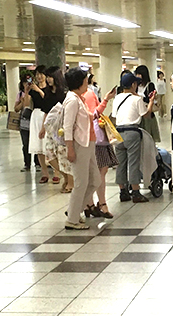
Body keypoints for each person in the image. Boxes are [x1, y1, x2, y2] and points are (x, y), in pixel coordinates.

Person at [62, 67, 102, 230]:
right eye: (86, 80)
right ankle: (72, 219)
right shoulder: (72, 100)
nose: (88, 82)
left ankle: (74, 211)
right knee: (81, 182)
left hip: (88, 144)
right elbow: (67, 126)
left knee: (95, 180)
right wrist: (70, 148)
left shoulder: (80, 98)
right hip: (79, 145)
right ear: (79, 82)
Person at [111, 73, 156, 203]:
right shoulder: (137, 99)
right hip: (132, 132)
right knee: (133, 162)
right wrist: (151, 102)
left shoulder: (117, 98)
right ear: (133, 85)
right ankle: (135, 192)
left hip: (118, 133)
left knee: (120, 163)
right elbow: (146, 115)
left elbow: (114, 115)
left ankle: (123, 192)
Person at [82, 80, 117, 219]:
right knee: (100, 171)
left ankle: (89, 204)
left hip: (87, 138)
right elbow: (94, 114)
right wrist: (106, 100)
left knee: (92, 173)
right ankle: (101, 204)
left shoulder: (75, 97)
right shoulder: (88, 94)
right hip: (96, 138)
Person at [42, 66, 69, 192]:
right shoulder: (47, 92)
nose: (48, 79)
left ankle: (70, 180)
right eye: (47, 76)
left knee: (62, 154)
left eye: (50, 76)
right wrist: (43, 127)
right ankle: (65, 176)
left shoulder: (64, 92)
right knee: (49, 153)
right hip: (50, 127)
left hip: (61, 127)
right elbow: (46, 111)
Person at [29, 66, 49, 178]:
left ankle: (57, 172)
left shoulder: (49, 89)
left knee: (48, 145)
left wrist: (39, 90)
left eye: (41, 74)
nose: (39, 77)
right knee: (38, 146)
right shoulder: (33, 89)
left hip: (46, 115)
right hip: (36, 115)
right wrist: (27, 91)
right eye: (37, 74)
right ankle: (44, 173)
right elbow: (27, 103)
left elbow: (47, 100)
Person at [134, 65, 161, 143]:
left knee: (148, 136)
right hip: (138, 114)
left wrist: (140, 97)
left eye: (139, 74)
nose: (137, 76)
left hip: (148, 113)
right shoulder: (135, 85)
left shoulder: (150, 85)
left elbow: (151, 99)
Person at [15, 77, 34, 171]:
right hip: (24, 122)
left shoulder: (35, 93)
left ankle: (38, 163)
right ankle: (27, 164)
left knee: (35, 143)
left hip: (34, 121)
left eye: (29, 81)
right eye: (25, 82)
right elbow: (16, 109)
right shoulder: (20, 94)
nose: (27, 84)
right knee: (25, 144)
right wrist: (22, 102)